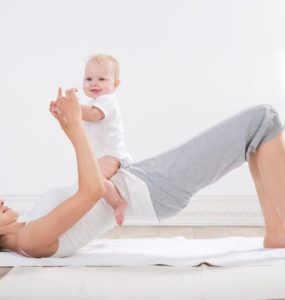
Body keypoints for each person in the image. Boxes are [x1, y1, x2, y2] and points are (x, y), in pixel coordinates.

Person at [1, 89, 285, 258]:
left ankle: (277, 232)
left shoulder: (30, 227)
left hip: (142, 178)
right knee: (264, 117)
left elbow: (92, 184)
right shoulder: (30, 241)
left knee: (257, 135)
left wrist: (92, 150)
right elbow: (93, 191)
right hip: (154, 190)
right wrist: (74, 126)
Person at [51, 54, 131, 226]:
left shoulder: (108, 101)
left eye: (102, 79)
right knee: (89, 182)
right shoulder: (93, 103)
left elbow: (94, 114)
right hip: (99, 157)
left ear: (115, 84)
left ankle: (118, 203)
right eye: (89, 79)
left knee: (95, 181)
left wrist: (73, 107)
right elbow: (76, 122)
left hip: (112, 155)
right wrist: (62, 111)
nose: (94, 83)